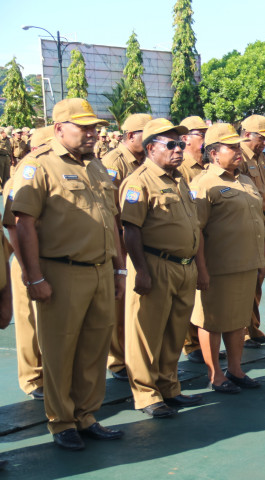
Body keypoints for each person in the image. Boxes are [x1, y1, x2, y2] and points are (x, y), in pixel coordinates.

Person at [12, 98, 126, 450]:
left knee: (94, 348)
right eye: (84, 128)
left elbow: (112, 221)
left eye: (95, 128)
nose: (93, 134)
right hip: (62, 272)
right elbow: (22, 224)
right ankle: (62, 421)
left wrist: (119, 268)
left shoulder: (96, 166)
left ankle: (86, 415)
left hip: (100, 270)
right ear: (59, 128)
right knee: (61, 350)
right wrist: (34, 278)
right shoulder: (38, 165)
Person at [120, 118, 202, 418]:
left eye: (180, 144)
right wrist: (141, 271)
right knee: (146, 334)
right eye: (171, 144)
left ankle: (169, 386)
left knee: (174, 331)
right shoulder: (138, 181)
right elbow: (131, 230)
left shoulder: (179, 180)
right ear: (150, 148)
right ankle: (146, 394)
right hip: (155, 265)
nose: (178, 149)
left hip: (184, 266)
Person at [191, 123, 265, 392]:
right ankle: (215, 375)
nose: (238, 152)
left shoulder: (244, 180)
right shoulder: (203, 183)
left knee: (238, 320)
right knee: (211, 321)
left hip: (246, 263)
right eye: (231, 148)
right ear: (213, 153)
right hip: (218, 266)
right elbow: (196, 230)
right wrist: (201, 269)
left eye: (238, 147)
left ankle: (235, 370)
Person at [101, 113, 152, 381]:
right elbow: (111, 208)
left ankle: (134, 357)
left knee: (137, 303)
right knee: (120, 304)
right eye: (146, 133)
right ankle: (118, 360)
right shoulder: (114, 162)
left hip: (140, 238)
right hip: (121, 237)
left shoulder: (145, 159)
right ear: (131, 135)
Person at [4, 126, 53, 400]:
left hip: (49, 258)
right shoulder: (23, 177)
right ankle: (33, 379)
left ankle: (52, 375)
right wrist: (26, 269)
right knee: (29, 324)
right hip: (26, 259)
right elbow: (14, 226)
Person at [239, 115, 265, 346]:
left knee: (259, 276)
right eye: (261, 138)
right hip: (250, 222)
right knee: (248, 277)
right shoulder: (239, 157)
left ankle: (252, 326)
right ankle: (244, 330)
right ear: (247, 135)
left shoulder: (260, 156)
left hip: (264, 221)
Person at [176, 115, 210, 364]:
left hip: (207, 235)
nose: (205, 139)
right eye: (201, 134)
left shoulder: (206, 165)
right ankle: (191, 342)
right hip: (190, 235)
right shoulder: (181, 168)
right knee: (190, 294)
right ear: (186, 139)